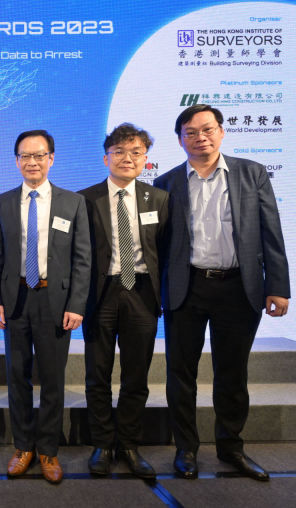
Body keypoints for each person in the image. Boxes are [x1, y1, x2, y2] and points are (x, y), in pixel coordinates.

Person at [154, 104, 289, 481]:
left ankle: (231, 448)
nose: (201, 138)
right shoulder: (165, 183)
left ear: (222, 131)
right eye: (191, 133)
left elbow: (271, 232)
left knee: (232, 374)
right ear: (180, 140)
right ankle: (186, 450)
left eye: (208, 129)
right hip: (187, 288)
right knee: (181, 374)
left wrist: (278, 286)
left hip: (238, 288)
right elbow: (158, 246)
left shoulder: (252, 173)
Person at [0, 130, 90, 484]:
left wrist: (77, 304)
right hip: (15, 298)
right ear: (17, 161)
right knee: (17, 376)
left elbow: (82, 259)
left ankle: (47, 449)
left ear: (51, 158)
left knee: (52, 378)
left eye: (39, 155)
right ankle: (23, 447)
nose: (32, 162)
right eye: (25, 156)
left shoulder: (72, 202)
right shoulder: (3, 201)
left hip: (54, 301)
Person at [79, 123, 169, 479]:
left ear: (145, 159)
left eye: (135, 152)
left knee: (136, 375)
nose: (127, 158)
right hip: (100, 294)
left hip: (141, 293)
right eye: (118, 152)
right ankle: (102, 444)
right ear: (106, 158)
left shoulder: (158, 198)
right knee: (97, 374)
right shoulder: (84, 199)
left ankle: (129, 444)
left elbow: (166, 251)